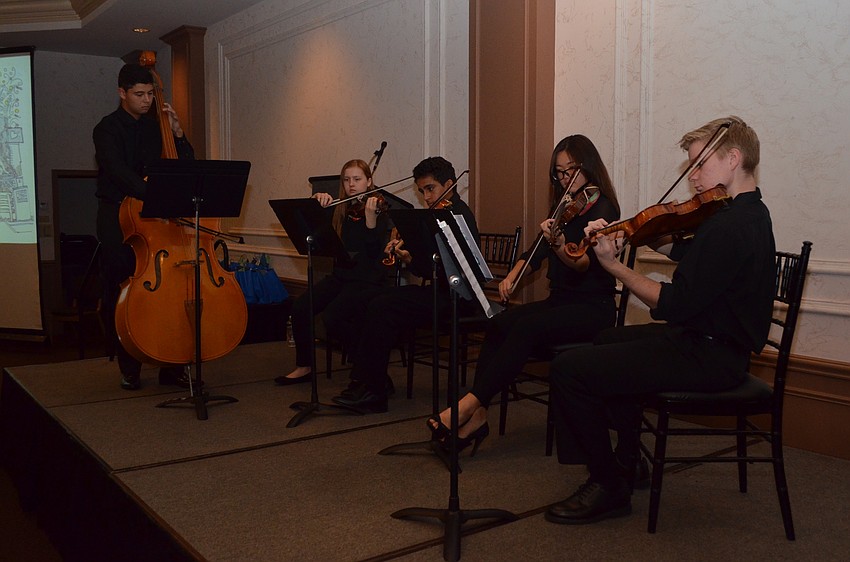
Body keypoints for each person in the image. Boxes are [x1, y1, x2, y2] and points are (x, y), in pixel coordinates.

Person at [544, 116, 775, 525]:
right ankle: (629, 462)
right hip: (711, 345)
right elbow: (694, 262)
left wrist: (613, 267)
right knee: (607, 340)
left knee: (568, 369)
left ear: (733, 158)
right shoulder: (747, 214)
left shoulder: (729, 226)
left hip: (708, 355)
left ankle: (608, 484)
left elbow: (673, 303)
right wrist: (641, 232)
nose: (694, 177)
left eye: (699, 164)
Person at [425, 135, 621, 454]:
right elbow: (536, 250)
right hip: (560, 303)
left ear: (589, 168)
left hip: (591, 309)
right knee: (499, 322)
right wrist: (514, 274)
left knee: (526, 328)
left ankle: (468, 405)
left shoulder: (604, 208)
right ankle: (479, 416)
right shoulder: (566, 208)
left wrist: (558, 244)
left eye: (571, 170)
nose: (564, 178)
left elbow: (583, 265)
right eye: (559, 172)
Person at [330, 156, 478, 413]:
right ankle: (370, 380)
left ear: (450, 185)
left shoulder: (458, 215)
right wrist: (409, 257)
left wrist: (419, 258)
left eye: (430, 189)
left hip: (458, 297)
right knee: (368, 300)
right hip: (439, 290)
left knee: (384, 305)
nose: (426, 197)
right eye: (422, 192)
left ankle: (374, 392)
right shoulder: (436, 214)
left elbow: (462, 270)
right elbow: (426, 268)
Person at [93, 63, 194, 390]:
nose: (147, 100)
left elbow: (183, 168)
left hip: (153, 216)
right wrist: (157, 196)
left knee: (166, 288)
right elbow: (118, 171)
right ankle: (128, 362)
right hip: (117, 215)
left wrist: (178, 134)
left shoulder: (156, 128)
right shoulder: (107, 129)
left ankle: (170, 361)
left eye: (151, 93)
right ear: (122, 93)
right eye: (139, 94)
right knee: (122, 283)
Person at [274, 159, 390, 385]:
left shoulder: (377, 209)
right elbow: (312, 228)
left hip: (367, 280)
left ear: (369, 181)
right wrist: (315, 205)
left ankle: (366, 367)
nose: (351, 185)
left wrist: (370, 222)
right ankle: (304, 366)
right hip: (342, 276)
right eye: (347, 180)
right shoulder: (342, 208)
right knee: (300, 307)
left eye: (357, 179)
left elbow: (375, 253)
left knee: (333, 317)